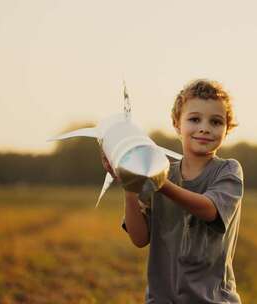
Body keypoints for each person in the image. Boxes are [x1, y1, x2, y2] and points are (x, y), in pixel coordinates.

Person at [102, 79, 243, 303]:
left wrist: (159, 181)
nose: (205, 128)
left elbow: (209, 210)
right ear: (177, 124)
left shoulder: (228, 171)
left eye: (216, 122)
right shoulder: (158, 171)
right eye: (194, 119)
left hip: (212, 300)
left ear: (227, 129)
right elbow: (139, 238)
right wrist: (130, 186)